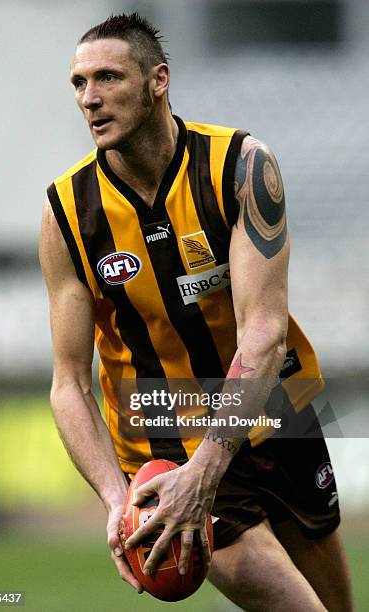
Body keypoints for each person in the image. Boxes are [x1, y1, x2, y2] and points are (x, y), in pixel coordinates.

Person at [39, 13, 353, 611]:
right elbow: (68, 384)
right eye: (79, 83)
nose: (90, 98)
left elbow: (262, 336)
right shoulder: (66, 214)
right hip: (165, 443)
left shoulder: (240, 166)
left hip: (276, 411)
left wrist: (205, 474)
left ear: (159, 80)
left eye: (108, 77)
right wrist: (117, 498)